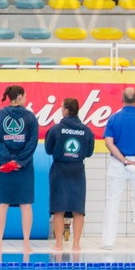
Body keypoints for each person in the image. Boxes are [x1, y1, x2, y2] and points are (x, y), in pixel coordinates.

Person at [101, 87, 135, 250]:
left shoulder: (114, 119)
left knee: (112, 202)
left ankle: (108, 242)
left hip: (118, 164)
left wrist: (124, 160)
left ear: (121, 99)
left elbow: (109, 142)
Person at [0, 85, 38, 253]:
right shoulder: (30, 117)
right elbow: (32, 143)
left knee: (2, 204)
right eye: (24, 95)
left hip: (4, 166)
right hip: (23, 167)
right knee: (25, 205)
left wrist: (8, 161)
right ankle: (26, 244)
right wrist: (19, 162)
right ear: (20, 97)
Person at [45, 97, 94, 251]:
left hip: (59, 169)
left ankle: (59, 243)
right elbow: (89, 152)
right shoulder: (86, 130)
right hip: (77, 170)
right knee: (78, 209)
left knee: (58, 208)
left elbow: (48, 149)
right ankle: (76, 244)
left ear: (65, 110)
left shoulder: (56, 129)